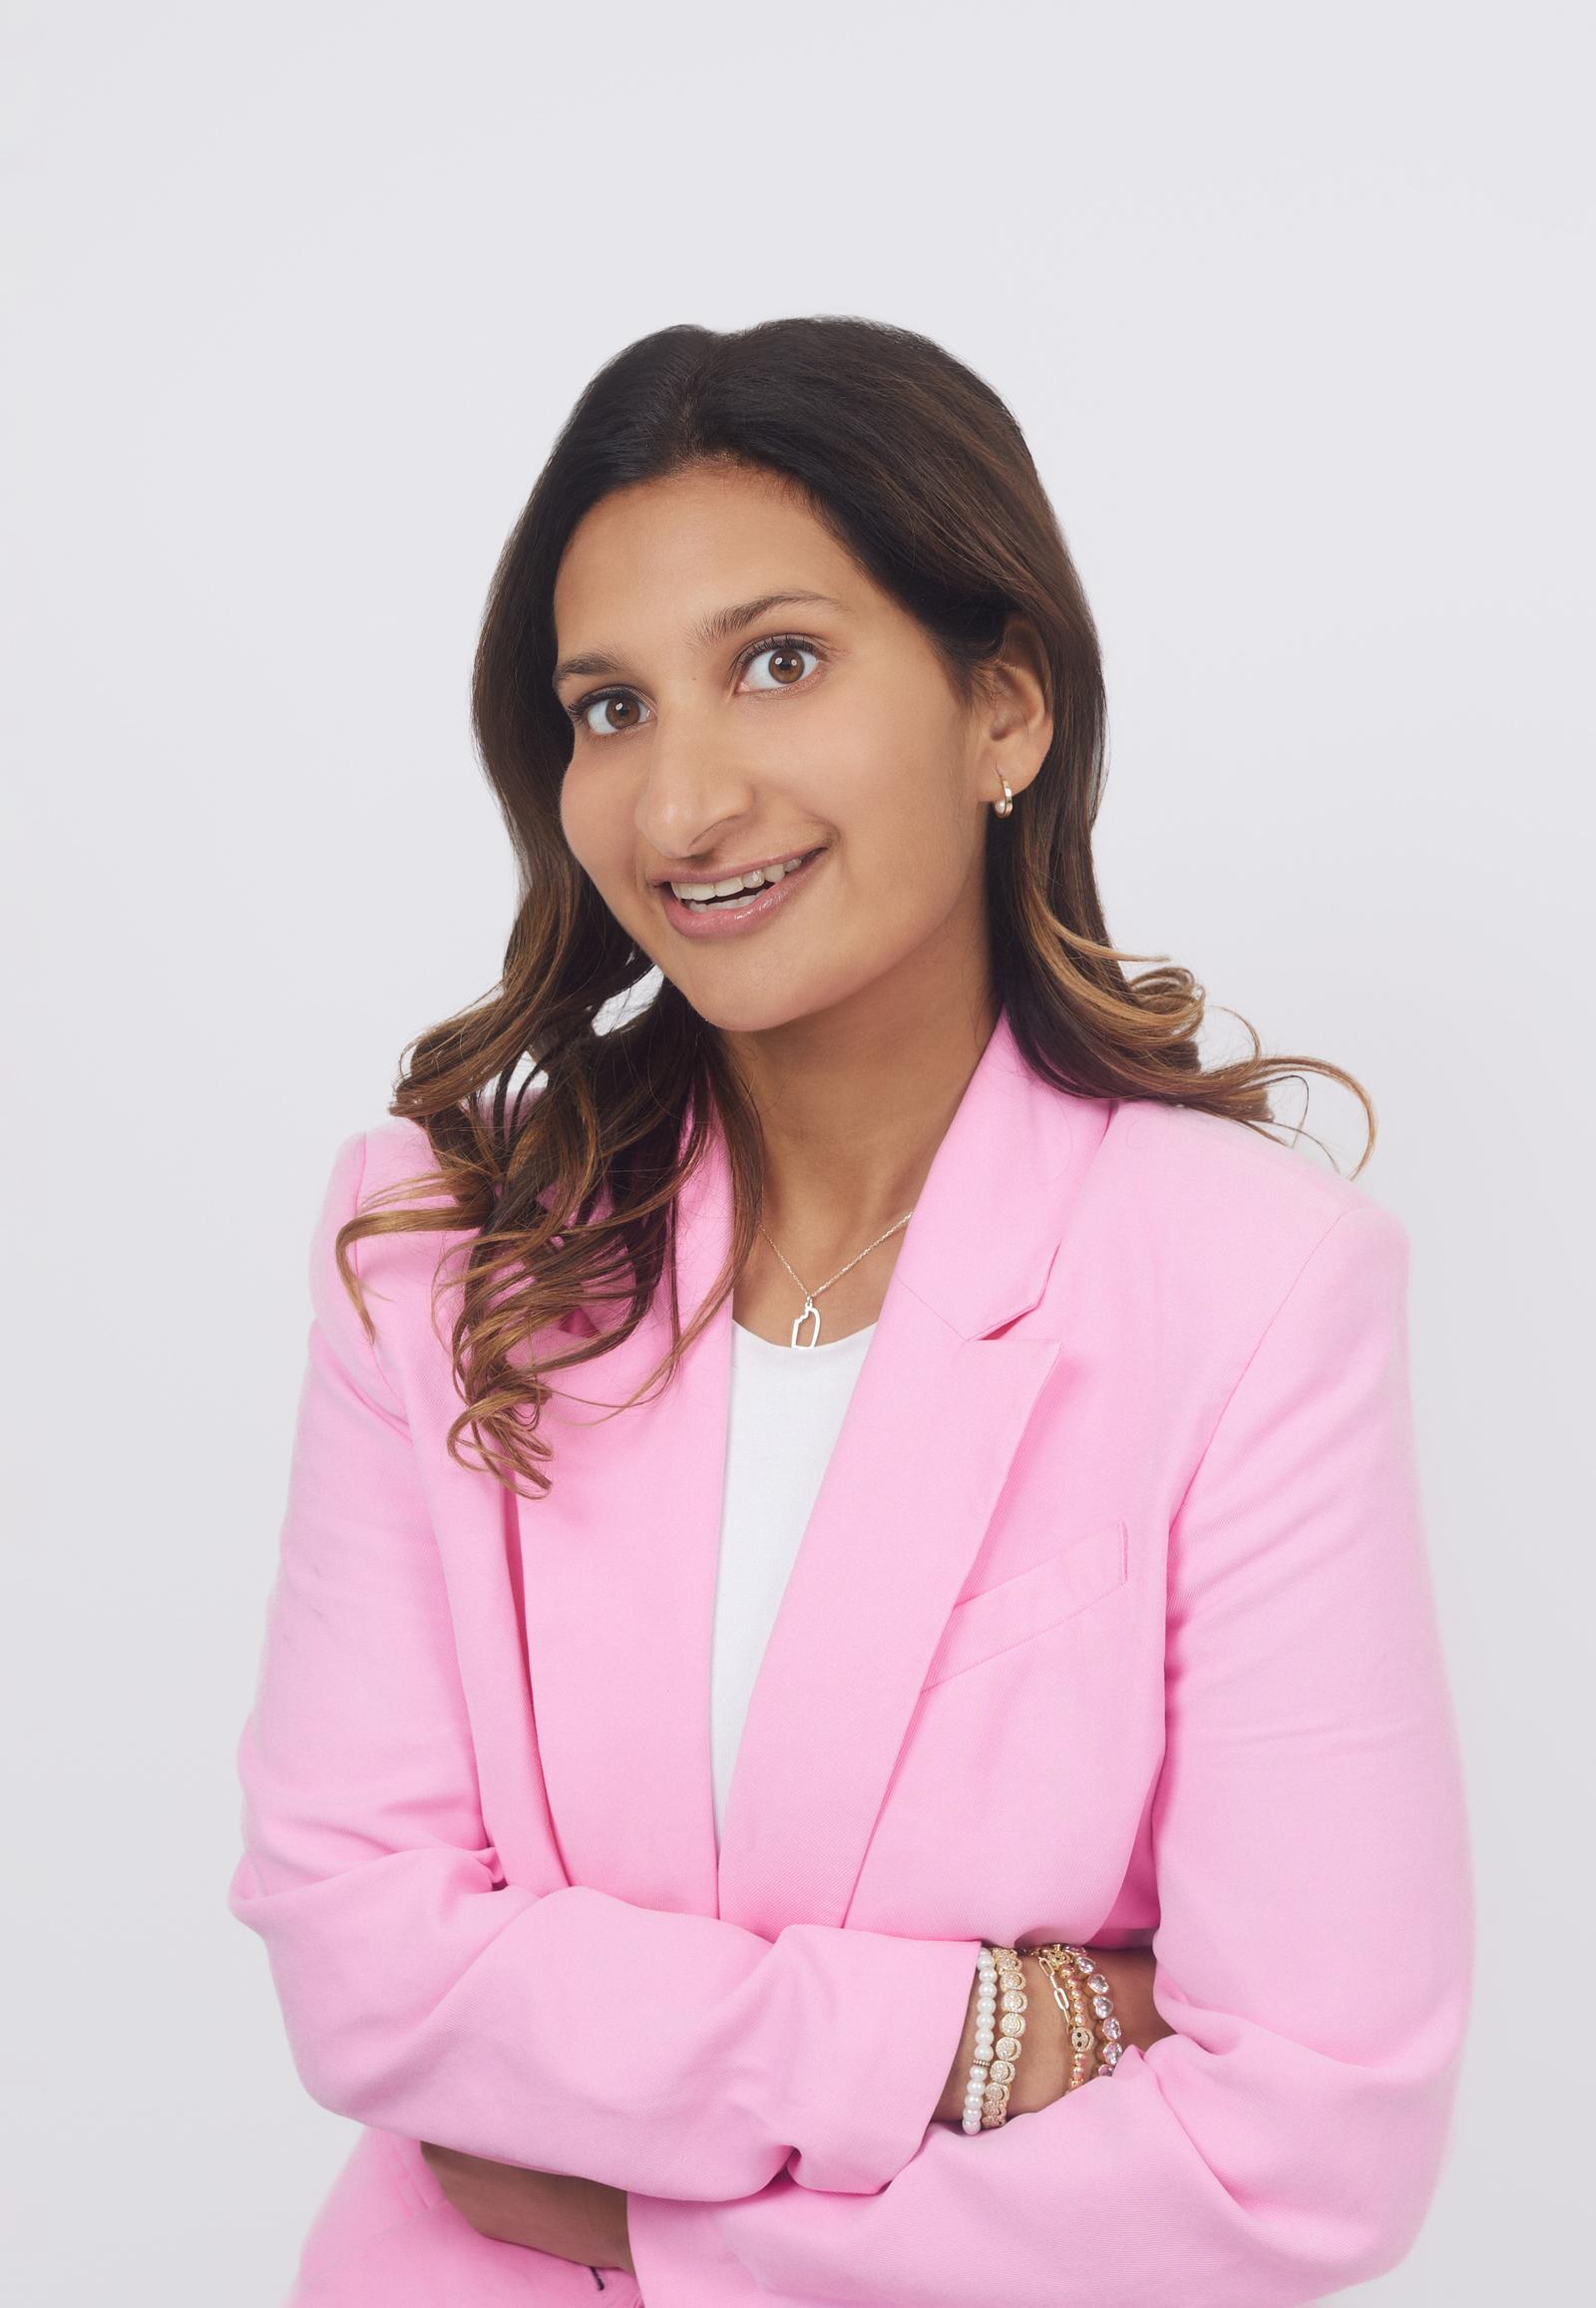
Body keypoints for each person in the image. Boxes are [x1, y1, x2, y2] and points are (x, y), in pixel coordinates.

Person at [227, 316, 1473, 2306]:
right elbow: (364, 1968)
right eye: (609, 707)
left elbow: (1302, 2152)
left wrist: (648, 2221)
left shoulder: (1249, 1288)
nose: (678, 804)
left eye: (779, 663)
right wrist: (971, 2032)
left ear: (1003, 711)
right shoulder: (441, 1243)